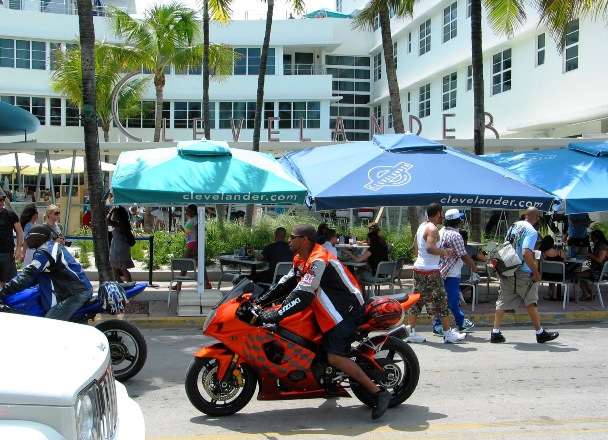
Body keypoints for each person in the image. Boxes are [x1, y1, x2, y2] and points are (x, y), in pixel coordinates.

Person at [254, 224, 391, 420]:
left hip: (346, 309)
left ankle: (378, 393)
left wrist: (277, 314)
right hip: (327, 307)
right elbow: (285, 284)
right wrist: (260, 301)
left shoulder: (319, 259)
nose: (289, 241)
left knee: (334, 357)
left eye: (292, 237)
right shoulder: (301, 258)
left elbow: (303, 294)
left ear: (304, 240)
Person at [490, 207, 559, 344]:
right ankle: (540, 333)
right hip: (522, 272)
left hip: (508, 269)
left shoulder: (514, 226)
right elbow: (526, 253)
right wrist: (536, 272)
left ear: (525, 215)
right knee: (531, 301)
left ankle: (495, 332)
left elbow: (507, 246)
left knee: (503, 300)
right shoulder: (531, 231)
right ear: (537, 218)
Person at [0, 225, 92, 320]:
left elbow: (27, 275)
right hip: (72, 289)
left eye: (29, 235)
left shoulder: (44, 253)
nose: (26, 239)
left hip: (76, 293)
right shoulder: (51, 246)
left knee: (48, 325)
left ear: (40, 237)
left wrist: (3, 291)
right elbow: (33, 277)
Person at [405, 203, 466, 344]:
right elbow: (430, 249)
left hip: (420, 268)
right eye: (442, 213)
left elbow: (415, 245)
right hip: (431, 270)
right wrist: (446, 252)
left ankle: (411, 332)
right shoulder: (432, 229)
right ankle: (448, 334)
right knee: (441, 302)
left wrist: (420, 259)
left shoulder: (422, 226)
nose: (443, 216)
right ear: (438, 213)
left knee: (416, 301)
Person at [431, 209, 477, 337]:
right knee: (451, 300)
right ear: (457, 221)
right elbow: (463, 255)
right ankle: (441, 324)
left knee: (448, 299)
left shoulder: (441, 232)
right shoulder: (456, 236)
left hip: (441, 269)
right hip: (451, 272)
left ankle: (460, 322)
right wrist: (473, 266)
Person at [172, 204, 212, 290]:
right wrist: (182, 229)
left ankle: (178, 284)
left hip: (193, 244)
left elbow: (198, 233)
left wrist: (196, 247)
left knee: (185, 263)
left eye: (188, 209)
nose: (186, 211)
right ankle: (207, 283)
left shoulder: (196, 219)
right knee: (198, 264)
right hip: (191, 243)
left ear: (193, 211)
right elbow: (189, 234)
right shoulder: (191, 220)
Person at [575, 229, 608, 301]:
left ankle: (586, 294)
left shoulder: (603, 247)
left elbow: (599, 260)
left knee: (577, 276)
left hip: (600, 272)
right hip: (597, 270)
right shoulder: (598, 246)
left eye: (593, 239)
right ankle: (589, 293)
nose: (592, 240)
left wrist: (590, 255)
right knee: (578, 275)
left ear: (598, 238)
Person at [0, 189, 23, 287]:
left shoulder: (10, 215)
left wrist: (18, 249)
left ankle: (6, 301)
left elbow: (19, 231)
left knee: (8, 282)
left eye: (3, 199)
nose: (1, 202)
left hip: (7, 252)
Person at [106, 205, 135, 283]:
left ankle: (129, 283)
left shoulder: (119, 224)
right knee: (116, 269)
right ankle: (124, 284)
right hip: (119, 246)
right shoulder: (124, 223)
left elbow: (107, 221)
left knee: (121, 268)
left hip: (118, 247)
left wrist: (111, 211)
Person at [538, 235, 567, 301]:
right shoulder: (560, 252)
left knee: (550, 272)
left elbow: (541, 266)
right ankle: (555, 294)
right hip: (560, 276)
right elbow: (564, 263)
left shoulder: (542, 254)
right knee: (554, 272)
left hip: (546, 276)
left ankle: (554, 294)